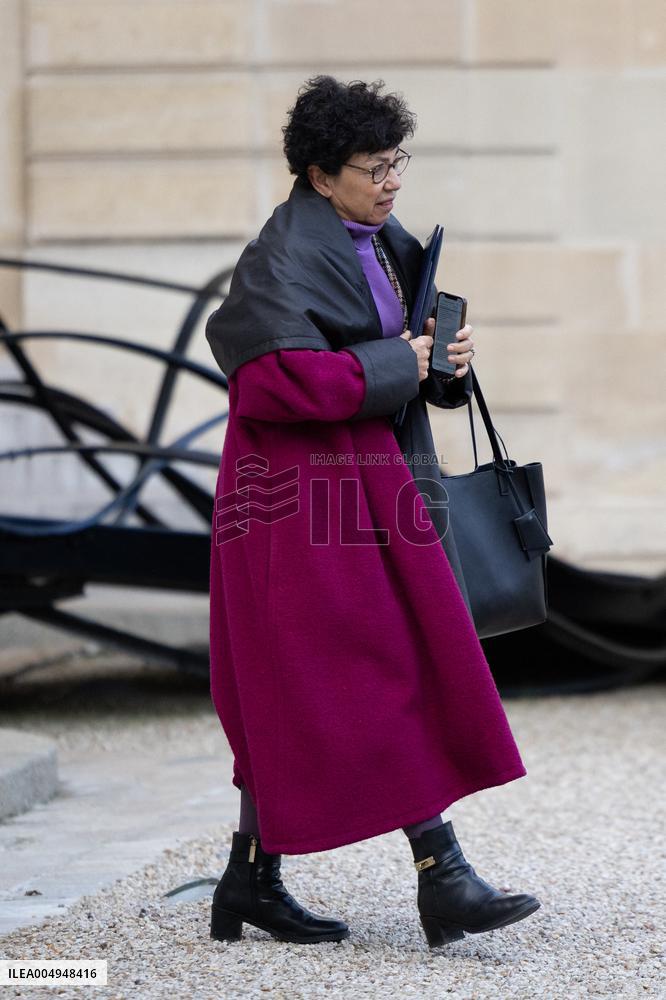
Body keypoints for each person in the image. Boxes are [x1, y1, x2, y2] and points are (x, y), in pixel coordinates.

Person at [204, 75, 541, 949]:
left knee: (302, 684)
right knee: (377, 666)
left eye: (398, 161)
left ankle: (249, 880)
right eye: (372, 166)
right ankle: (446, 873)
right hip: (297, 504)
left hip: (369, 486)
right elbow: (275, 383)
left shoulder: (382, 240)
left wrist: (443, 363)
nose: (392, 180)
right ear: (320, 175)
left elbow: (400, 364)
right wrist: (401, 357)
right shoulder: (278, 259)